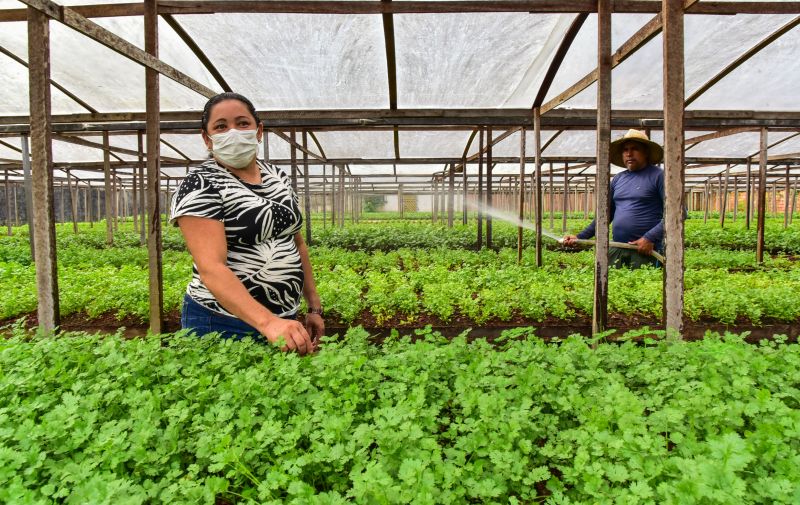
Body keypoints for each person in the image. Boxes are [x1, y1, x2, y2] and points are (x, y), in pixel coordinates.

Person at [170, 92, 323, 355]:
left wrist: (313, 306)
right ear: (207, 138)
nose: (233, 132)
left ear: (258, 130)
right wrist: (269, 323)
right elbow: (212, 268)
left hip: (284, 319)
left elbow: (296, 242)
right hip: (222, 322)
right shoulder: (200, 184)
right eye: (221, 126)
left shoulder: (277, 176)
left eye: (242, 123)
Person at [563, 129, 669, 269]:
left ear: (646, 152)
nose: (629, 154)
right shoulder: (618, 179)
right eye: (625, 150)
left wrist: (650, 238)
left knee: (643, 288)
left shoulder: (659, 176)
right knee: (614, 288)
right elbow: (605, 216)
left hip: (646, 250)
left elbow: (678, 213)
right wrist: (580, 237)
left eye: (635, 149)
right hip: (617, 248)